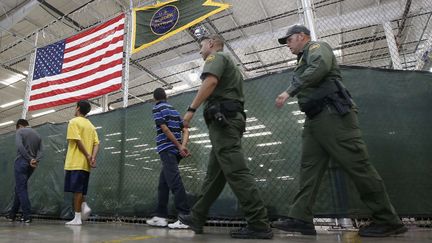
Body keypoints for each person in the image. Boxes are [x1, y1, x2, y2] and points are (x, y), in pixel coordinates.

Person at [273, 24, 407, 237]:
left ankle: (387, 219)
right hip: (315, 119)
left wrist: (289, 91)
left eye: (289, 40)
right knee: (309, 169)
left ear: (301, 37)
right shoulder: (301, 59)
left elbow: (319, 68)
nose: (287, 45)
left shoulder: (317, 47)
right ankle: (301, 218)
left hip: (332, 114)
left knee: (357, 165)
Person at [179, 35, 273, 239]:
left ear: (211, 44)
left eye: (201, 45)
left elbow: (211, 81)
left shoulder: (216, 58)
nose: (200, 50)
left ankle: (259, 223)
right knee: (214, 175)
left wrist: (190, 110)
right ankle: (197, 216)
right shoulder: (228, 62)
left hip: (224, 123)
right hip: (227, 122)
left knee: (237, 172)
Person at [146, 87, 191, 229]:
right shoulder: (174, 111)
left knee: (174, 182)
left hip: (167, 149)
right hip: (175, 151)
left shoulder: (157, 108)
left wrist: (178, 146)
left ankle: (185, 217)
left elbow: (165, 129)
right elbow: (185, 130)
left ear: (155, 98)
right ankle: (160, 216)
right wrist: (182, 146)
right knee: (163, 184)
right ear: (166, 97)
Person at [64, 100, 99, 225]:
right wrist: (92, 158)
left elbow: (78, 141)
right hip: (86, 164)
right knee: (81, 190)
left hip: (75, 162)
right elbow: (96, 143)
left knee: (77, 191)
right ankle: (84, 206)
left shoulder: (73, 122)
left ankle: (77, 218)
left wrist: (88, 155)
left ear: (78, 108)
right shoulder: (90, 125)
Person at [7, 119, 42, 223]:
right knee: (19, 187)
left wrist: (28, 158)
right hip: (32, 165)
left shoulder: (20, 131)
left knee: (21, 188)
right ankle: (12, 214)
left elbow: (19, 146)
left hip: (22, 162)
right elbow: (41, 151)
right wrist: (35, 159)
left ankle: (27, 215)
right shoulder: (37, 135)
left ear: (19, 126)